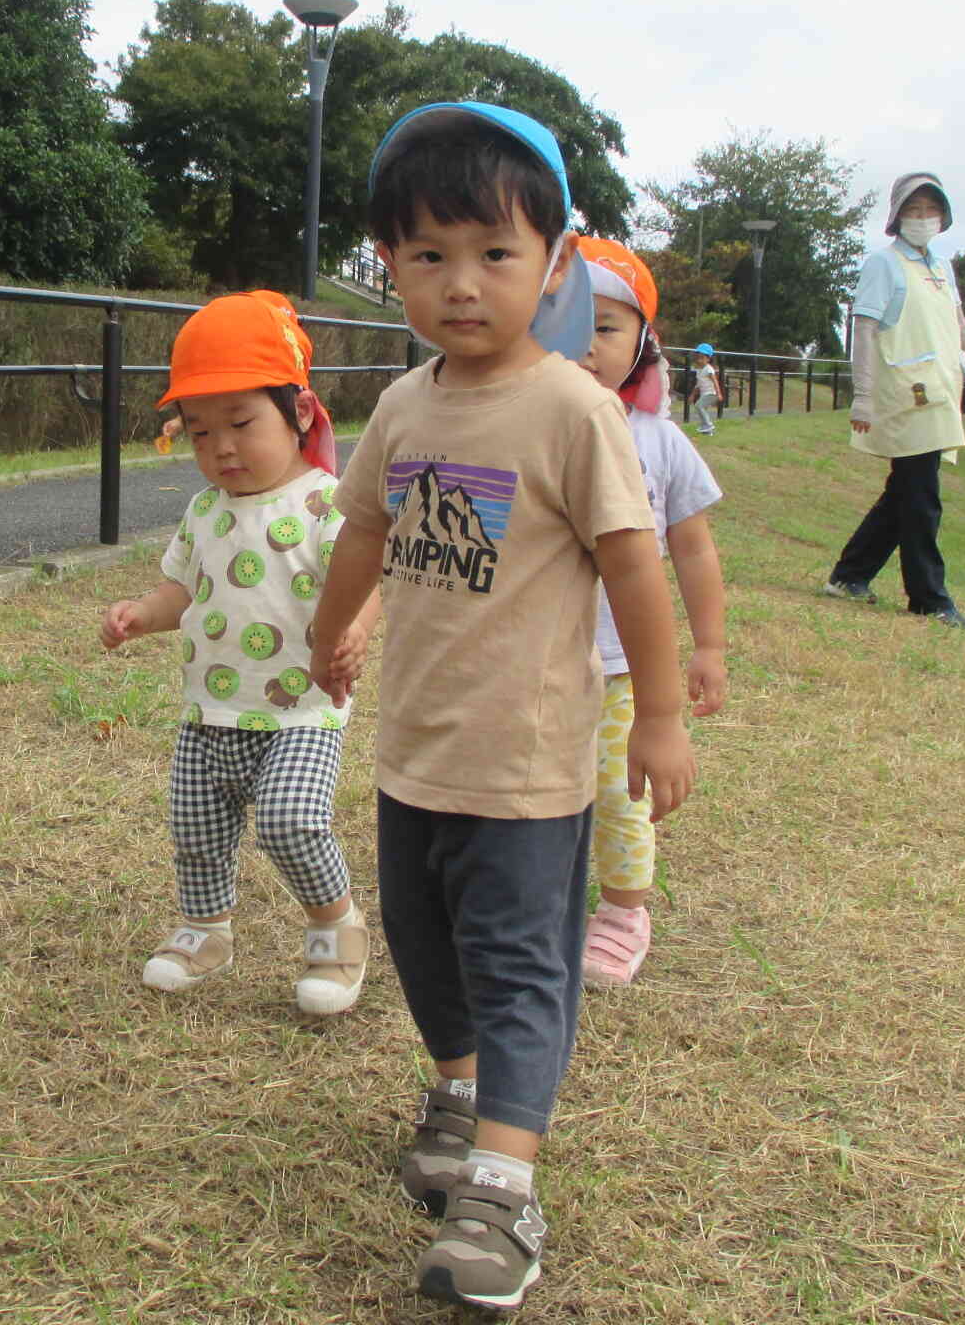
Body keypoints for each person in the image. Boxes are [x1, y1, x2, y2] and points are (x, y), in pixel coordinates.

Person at [308, 102, 695, 1312]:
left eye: (493, 254)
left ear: (555, 266)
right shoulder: (405, 406)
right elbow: (364, 527)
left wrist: (665, 717)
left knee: (521, 967)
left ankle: (502, 1192)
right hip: (413, 752)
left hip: (526, 770)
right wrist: (330, 629)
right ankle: (459, 1094)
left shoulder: (572, 412)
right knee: (427, 955)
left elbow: (637, 565)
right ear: (389, 269)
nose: (460, 284)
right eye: (426, 257)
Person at [100, 290, 381, 1015]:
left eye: (241, 423)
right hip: (212, 706)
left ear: (301, 413)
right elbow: (180, 590)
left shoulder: (327, 502)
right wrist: (142, 615)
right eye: (199, 433)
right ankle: (205, 928)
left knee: (290, 821)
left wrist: (352, 629)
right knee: (195, 825)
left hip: (301, 710)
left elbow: (365, 576)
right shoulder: (203, 512)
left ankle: (336, 928)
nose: (221, 446)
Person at [571, 238, 727, 988]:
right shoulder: (523, 424)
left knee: (615, 787)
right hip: (532, 657)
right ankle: (546, 892)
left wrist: (711, 647)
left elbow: (693, 552)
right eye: (563, 320)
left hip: (625, 663)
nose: (584, 344)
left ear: (641, 344)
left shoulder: (661, 443)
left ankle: (625, 910)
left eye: (604, 326)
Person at [824, 173, 965, 628]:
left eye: (930, 210)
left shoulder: (941, 269)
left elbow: (958, 331)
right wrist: (861, 397)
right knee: (922, 498)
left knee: (905, 492)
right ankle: (929, 598)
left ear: (943, 217)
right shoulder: (882, 265)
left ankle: (849, 575)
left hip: (939, 393)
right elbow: (863, 330)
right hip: (904, 397)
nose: (922, 219)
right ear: (897, 216)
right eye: (913, 210)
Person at [691, 342, 720, 433]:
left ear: (708, 359)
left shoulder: (708, 369)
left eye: (702, 358)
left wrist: (719, 394)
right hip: (704, 394)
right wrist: (692, 395)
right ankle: (707, 430)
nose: (699, 360)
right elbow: (698, 385)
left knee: (699, 406)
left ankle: (708, 425)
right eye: (698, 358)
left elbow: (715, 381)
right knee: (702, 409)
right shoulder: (699, 370)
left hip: (711, 393)